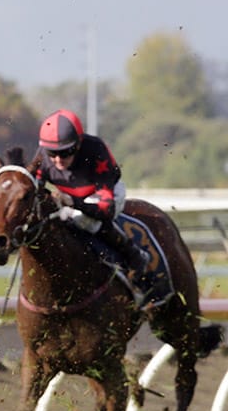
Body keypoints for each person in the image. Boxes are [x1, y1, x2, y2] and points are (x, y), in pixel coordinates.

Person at [34, 108, 163, 299]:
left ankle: (135, 256)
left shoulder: (95, 150)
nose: (58, 160)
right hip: (69, 197)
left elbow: (106, 209)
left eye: (65, 152)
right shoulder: (43, 155)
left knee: (83, 220)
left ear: (78, 145)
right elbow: (33, 191)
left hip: (106, 193)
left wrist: (73, 203)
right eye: (53, 154)